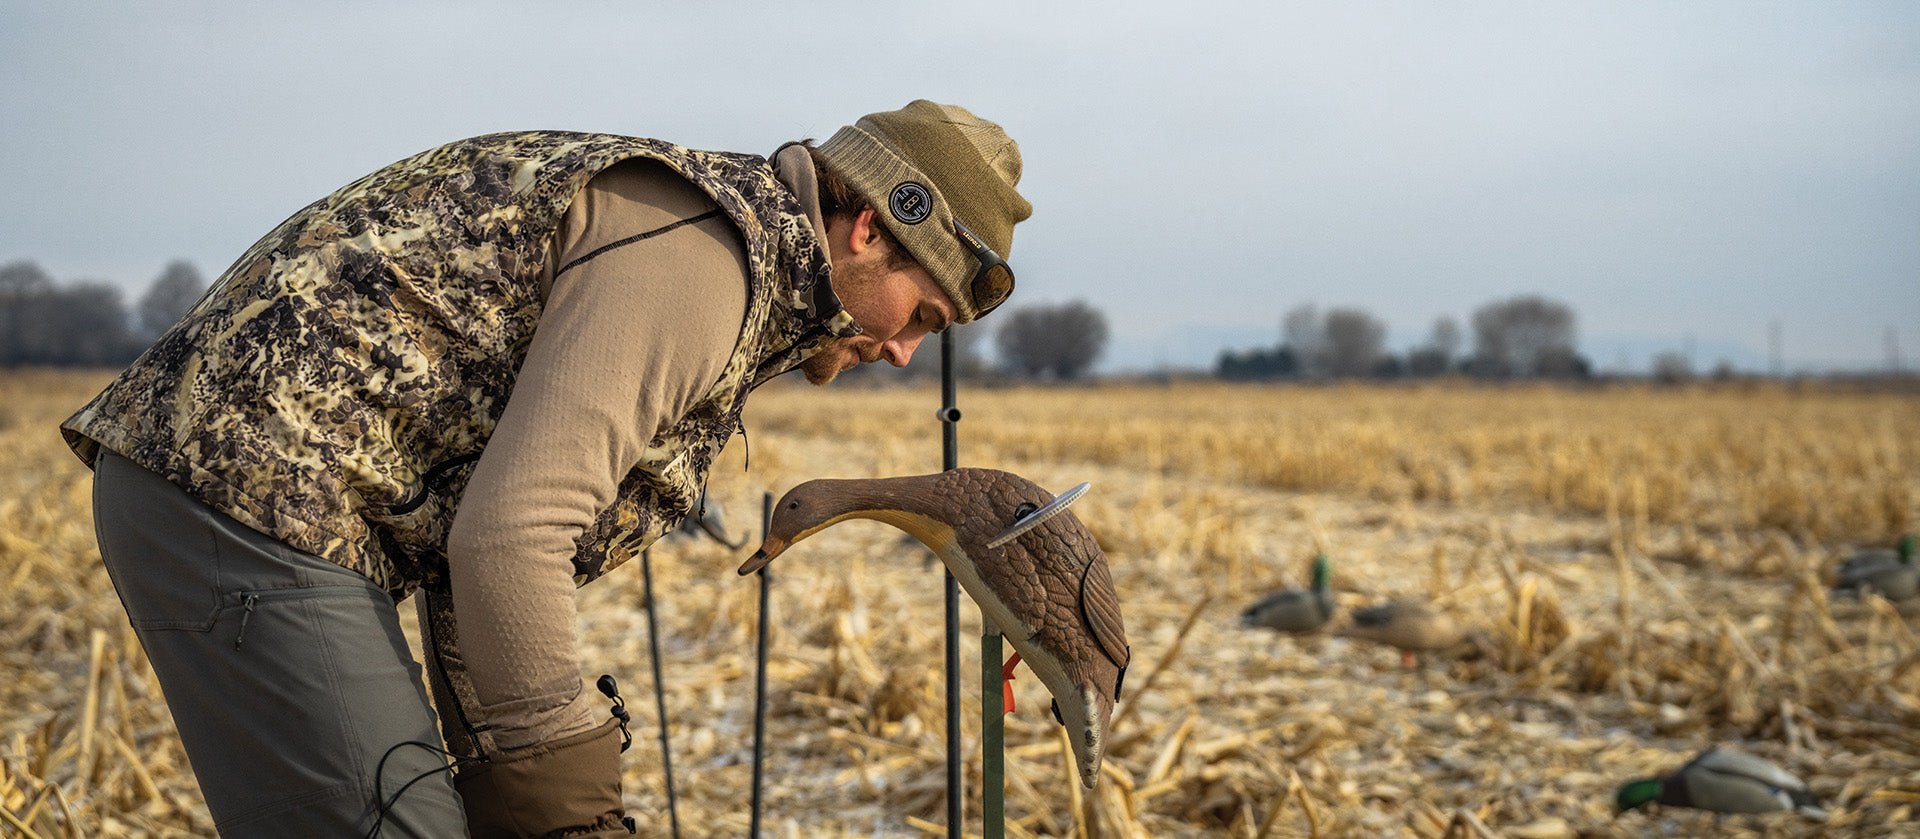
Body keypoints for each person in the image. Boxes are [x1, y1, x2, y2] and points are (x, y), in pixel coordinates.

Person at [60, 100, 1031, 837]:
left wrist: (523, 786)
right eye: (922, 317)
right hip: (247, 491)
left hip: (262, 500)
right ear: (870, 228)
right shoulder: (706, 263)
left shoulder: (735, 258)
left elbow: (474, 548)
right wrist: (575, 804)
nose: (906, 351)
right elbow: (508, 537)